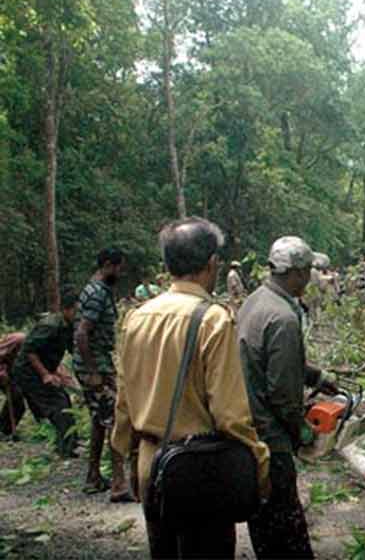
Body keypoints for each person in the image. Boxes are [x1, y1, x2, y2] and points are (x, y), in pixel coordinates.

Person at [112, 217, 271, 559]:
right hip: (202, 473)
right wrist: (260, 463)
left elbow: (124, 400)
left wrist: (127, 456)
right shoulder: (213, 319)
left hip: (152, 465)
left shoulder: (136, 317)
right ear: (212, 263)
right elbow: (230, 415)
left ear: (167, 264)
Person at [238, 236, 338, 559]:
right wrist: (303, 432)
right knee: (287, 531)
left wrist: (316, 377)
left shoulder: (255, 300)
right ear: (296, 272)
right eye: (308, 270)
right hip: (271, 438)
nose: (310, 278)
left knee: (264, 524)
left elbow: (270, 361)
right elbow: (282, 394)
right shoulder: (283, 317)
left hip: (248, 429)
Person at [73, 247, 132, 501]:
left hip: (94, 363)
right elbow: (82, 333)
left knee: (99, 420)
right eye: (118, 267)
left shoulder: (96, 290)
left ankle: (93, 477)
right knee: (115, 420)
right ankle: (119, 483)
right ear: (108, 265)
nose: (120, 272)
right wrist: (94, 372)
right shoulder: (97, 294)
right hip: (94, 366)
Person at [4, 288, 80, 457]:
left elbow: (72, 351)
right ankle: (66, 449)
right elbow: (30, 350)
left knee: (64, 400)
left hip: (45, 368)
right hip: (28, 371)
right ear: (66, 309)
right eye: (76, 310)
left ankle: (70, 443)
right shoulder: (50, 325)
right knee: (57, 404)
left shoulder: (68, 326)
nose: (79, 314)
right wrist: (45, 374)